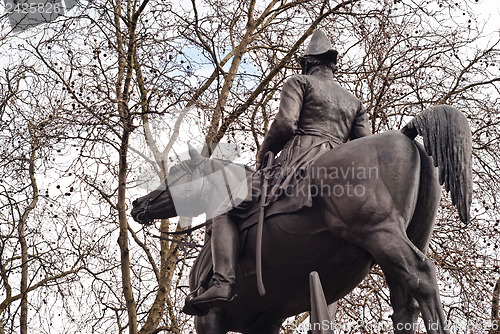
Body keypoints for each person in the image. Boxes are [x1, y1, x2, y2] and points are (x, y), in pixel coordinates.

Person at [189, 30, 371, 312]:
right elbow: (362, 145)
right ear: (331, 64)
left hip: (300, 160)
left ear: (309, 63)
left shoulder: (299, 82)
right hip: (340, 170)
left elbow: (286, 124)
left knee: (224, 205)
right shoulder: (354, 102)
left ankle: (223, 281)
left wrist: (265, 153)